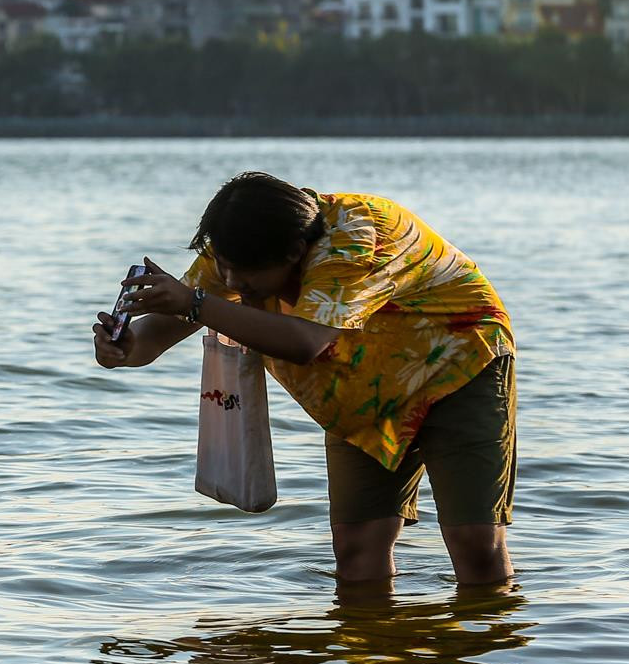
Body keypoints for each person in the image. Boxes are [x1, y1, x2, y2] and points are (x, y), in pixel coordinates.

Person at [94, 172, 516, 588]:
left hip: (458, 367)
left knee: (474, 542)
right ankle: (377, 648)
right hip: (362, 390)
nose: (230, 283)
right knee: (357, 547)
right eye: (222, 268)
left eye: (243, 275)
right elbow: (167, 328)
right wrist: (126, 348)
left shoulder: (354, 237)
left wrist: (194, 303)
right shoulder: (239, 246)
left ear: (295, 251)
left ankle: (481, 648)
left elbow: (304, 341)